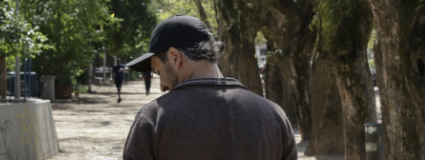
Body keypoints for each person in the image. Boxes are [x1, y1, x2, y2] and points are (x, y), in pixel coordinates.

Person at [123, 15, 297, 160]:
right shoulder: (274, 116)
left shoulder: (153, 119)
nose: (161, 86)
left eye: (157, 71)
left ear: (175, 57)